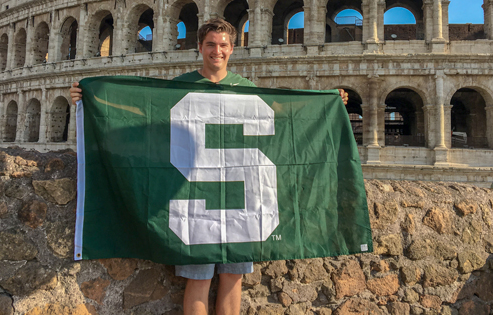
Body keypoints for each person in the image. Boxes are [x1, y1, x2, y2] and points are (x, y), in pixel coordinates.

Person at [70, 18, 348, 315]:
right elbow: (142, 114)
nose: (218, 51)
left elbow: (287, 118)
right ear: (200, 47)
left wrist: (329, 101)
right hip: (195, 199)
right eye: (211, 45)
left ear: (232, 49)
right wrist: (90, 97)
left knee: (232, 278)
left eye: (224, 45)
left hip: (241, 202)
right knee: (198, 280)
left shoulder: (246, 88)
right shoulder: (180, 87)